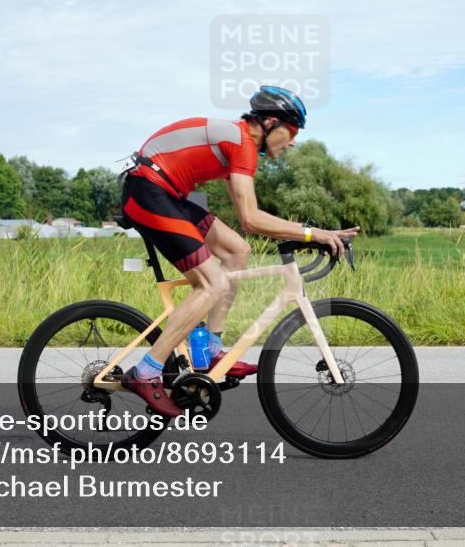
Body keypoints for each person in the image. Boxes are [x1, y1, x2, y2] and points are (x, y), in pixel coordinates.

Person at [118, 86, 359, 417]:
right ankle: (146, 372)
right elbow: (251, 218)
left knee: (236, 251)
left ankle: (210, 353)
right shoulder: (241, 143)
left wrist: (308, 234)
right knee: (212, 283)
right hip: (148, 191)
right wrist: (312, 233)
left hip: (166, 193)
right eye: (292, 132)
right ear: (271, 123)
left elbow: (248, 222)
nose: (292, 142)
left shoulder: (239, 143)